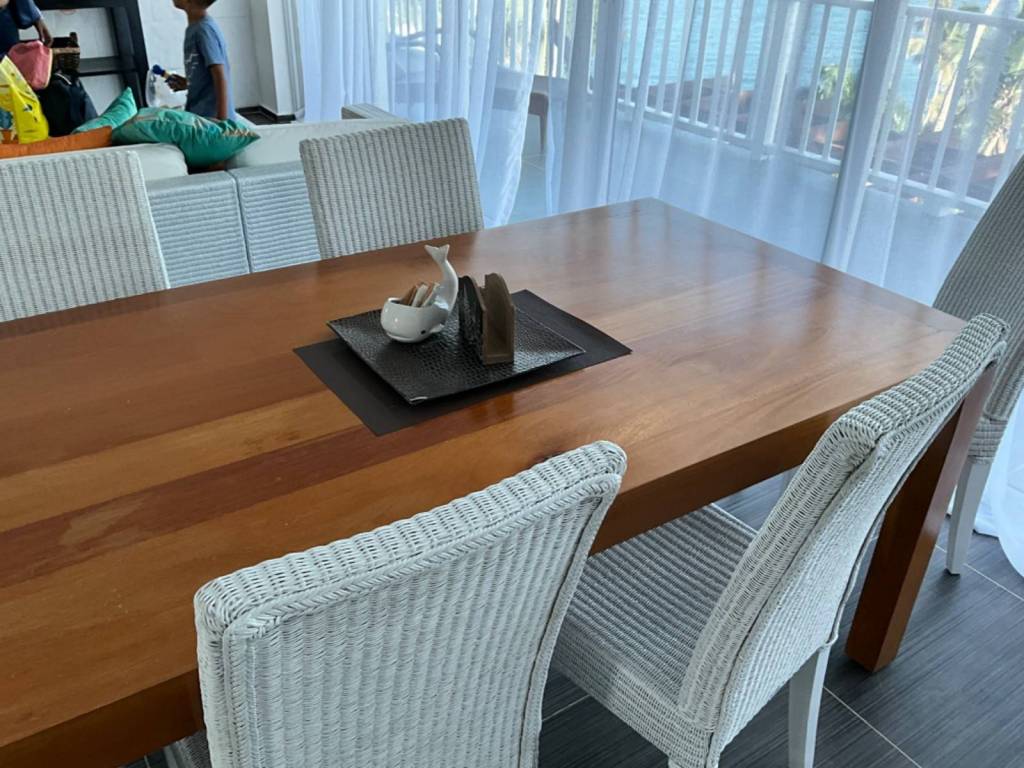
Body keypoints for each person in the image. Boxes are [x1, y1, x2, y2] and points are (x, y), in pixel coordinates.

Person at [168, 0, 234, 121]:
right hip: (199, 113)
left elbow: (220, 75)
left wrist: (222, 121)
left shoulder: (204, 30)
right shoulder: (194, 28)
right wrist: (189, 83)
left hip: (211, 118)